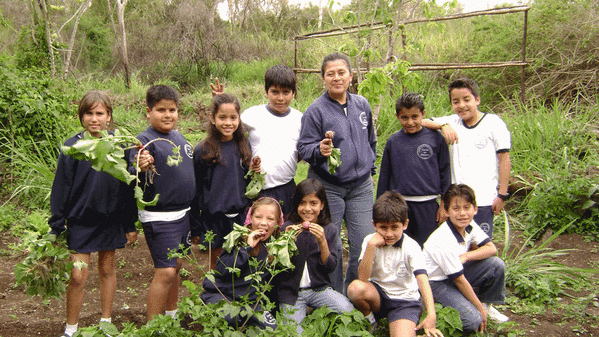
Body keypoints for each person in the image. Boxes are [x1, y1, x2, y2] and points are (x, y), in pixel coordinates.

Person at [49, 91, 138, 337]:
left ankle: (106, 322)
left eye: (100, 113)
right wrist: (56, 225)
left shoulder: (119, 145)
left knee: (107, 269)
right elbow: (61, 188)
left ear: (109, 117)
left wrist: (129, 223)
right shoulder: (72, 146)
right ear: (81, 116)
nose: (94, 119)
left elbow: (127, 186)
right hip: (81, 221)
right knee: (78, 276)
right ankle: (71, 328)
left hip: (110, 219)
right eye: (89, 113)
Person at [297, 52, 377, 293]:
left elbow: (370, 140)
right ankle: (332, 296)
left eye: (341, 73)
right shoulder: (315, 110)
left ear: (351, 76)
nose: (336, 78)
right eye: (330, 74)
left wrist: (370, 168)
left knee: (363, 242)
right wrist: (318, 150)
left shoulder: (362, 105)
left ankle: (355, 291)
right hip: (328, 186)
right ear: (323, 79)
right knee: (331, 243)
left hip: (361, 186)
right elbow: (303, 147)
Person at [129, 84, 196, 321]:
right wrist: (139, 165)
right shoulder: (143, 143)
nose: (168, 115)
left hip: (183, 216)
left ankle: (172, 314)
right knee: (165, 271)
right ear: (148, 111)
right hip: (159, 217)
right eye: (161, 110)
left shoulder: (180, 138)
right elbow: (132, 169)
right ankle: (154, 326)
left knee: (176, 267)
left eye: (172, 109)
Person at [421, 78, 511, 238]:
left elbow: (504, 159)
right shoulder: (452, 121)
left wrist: (502, 195)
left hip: (483, 200)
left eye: (466, 99)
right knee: (456, 246)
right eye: (456, 101)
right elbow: (421, 121)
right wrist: (443, 126)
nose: (461, 105)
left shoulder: (493, 123)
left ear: (477, 99)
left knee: (480, 247)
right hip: (456, 202)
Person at [347, 191, 442, 337]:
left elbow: (422, 279)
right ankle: (371, 320)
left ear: (405, 224)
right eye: (383, 227)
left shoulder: (411, 246)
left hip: (404, 301)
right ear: (374, 225)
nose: (389, 234)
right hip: (378, 295)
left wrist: (431, 314)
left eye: (394, 227)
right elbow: (363, 278)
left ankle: (410, 326)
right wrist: (371, 247)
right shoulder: (369, 241)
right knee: (355, 288)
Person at [423, 184, 508, 333]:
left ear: (475, 209)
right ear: (447, 211)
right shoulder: (442, 238)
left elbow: (491, 249)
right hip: (435, 283)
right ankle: (432, 308)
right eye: (456, 209)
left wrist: (467, 255)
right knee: (473, 320)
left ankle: (486, 305)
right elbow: (459, 280)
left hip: (455, 273)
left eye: (466, 207)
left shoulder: (469, 224)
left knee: (496, 264)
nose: (462, 213)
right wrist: (479, 311)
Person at [191, 93, 260, 270]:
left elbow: (247, 180)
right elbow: (196, 189)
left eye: (233, 117)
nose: (228, 122)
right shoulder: (203, 149)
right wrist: (196, 225)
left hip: (240, 216)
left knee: (241, 260)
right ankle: (216, 295)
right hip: (213, 219)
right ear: (213, 119)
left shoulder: (244, 145)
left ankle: (238, 296)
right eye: (222, 117)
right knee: (218, 262)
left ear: (239, 119)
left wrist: (255, 171)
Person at [277, 178, 354, 334]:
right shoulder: (287, 227)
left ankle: (316, 316)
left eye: (313, 203)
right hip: (292, 292)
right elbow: (278, 266)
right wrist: (286, 242)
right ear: (296, 204)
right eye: (302, 203)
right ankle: (303, 314)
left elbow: (330, 267)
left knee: (347, 310)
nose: (307, 209)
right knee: (292, 332)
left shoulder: (329, 229)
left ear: (322, 205)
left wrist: (322, 241)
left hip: (318, 290)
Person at [377, 92, 451, 247]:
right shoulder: (393, 141)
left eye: (415, 117)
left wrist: (444, 205)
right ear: (397, 116)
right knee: (399, 249)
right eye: (405, 117)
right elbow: (384, 176)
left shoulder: (435, 138)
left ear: (423, 115)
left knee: (427, 248)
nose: (410, 122)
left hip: (428, 206)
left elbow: (445, 173)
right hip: (400, 207)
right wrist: (380, 209)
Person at [200, 197, 283, 330]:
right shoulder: (238, 239)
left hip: (251, 303)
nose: (263, 223)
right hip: (222, 296)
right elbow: (222, 269)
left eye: (270, 219)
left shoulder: (276, 247)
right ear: (250, 218)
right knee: (233, 318)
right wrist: (247, 248)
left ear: (278, 223)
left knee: (272, 328)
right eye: (258, 217)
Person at [241, 65, 303, 216]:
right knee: (258, 231)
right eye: (274, 92)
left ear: (293, 93)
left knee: (284, 231)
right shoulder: (252, 115)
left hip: (286, 188)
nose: (280, 98)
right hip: (257, 188)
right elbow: (232, 136)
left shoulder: (300, 119)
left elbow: (303, 150)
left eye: (286, 92)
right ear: (266, 92)